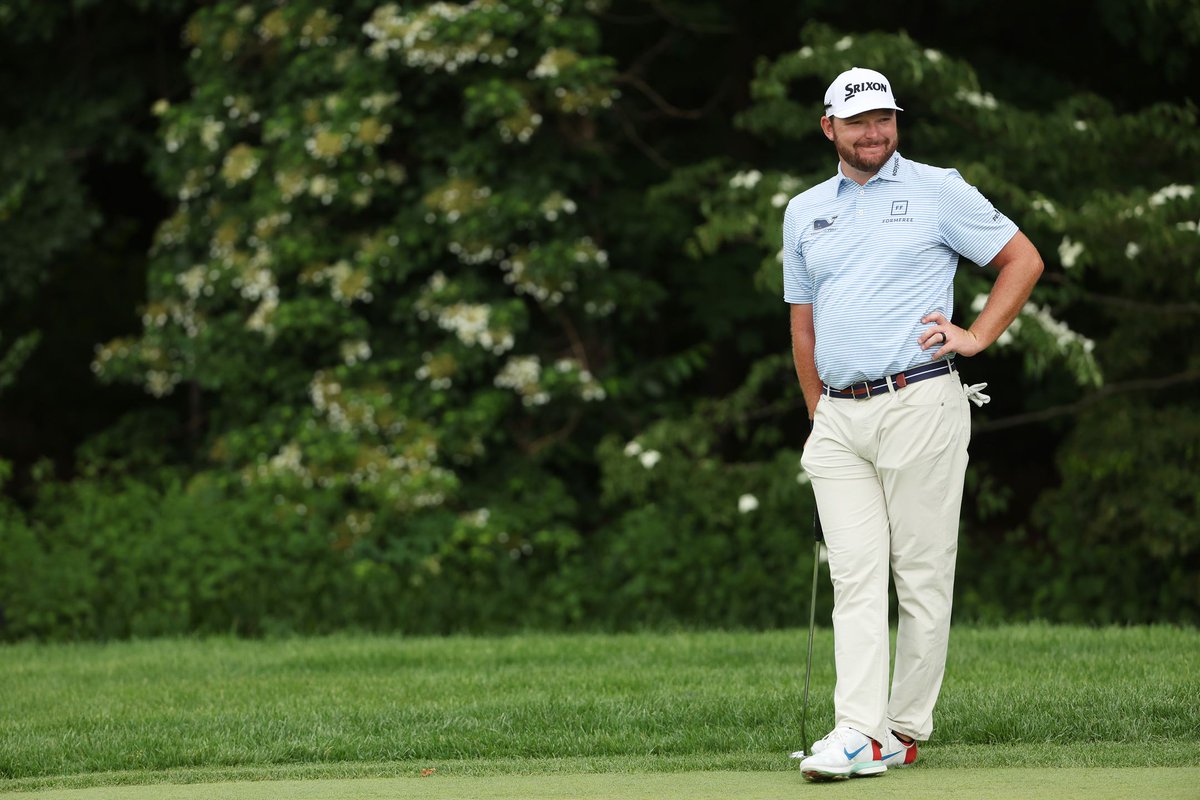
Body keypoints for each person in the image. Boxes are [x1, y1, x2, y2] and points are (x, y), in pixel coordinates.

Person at [782, 67, 1042, 781]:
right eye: (860, 121)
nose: (875, 133)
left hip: (921, 401)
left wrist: (978, 335)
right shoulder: (803, 211)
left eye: (885, 119)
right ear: (829, 127)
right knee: (856, 576)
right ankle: (858, 730)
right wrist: (816, 413)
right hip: (838, 419)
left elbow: (1022, 258)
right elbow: (802, 327)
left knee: (922, 575)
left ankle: (900, 729)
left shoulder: (937, 189)